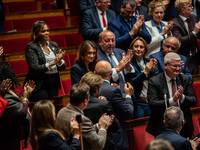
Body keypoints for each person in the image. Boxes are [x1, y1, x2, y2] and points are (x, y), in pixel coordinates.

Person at [146, 52, 197, 139]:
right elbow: (152, 104)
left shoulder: (185, 79)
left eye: (179, 66)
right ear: (165, 65)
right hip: (162, 126)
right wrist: (172, 100)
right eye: (174, 66)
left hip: (183, 125)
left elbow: (193, 101)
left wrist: (182, 98)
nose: (178, 69)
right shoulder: (154, 81)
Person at [56, 83, 113, 150]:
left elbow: (84, 131)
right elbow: (99, 144)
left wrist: (98, 125)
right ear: (85, 101)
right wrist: (103, 128)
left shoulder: (61, 111)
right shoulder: (82, 119)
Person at [95, 60, 134, 150]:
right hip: (115, 138)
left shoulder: (90, 89)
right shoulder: (112, 90)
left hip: (98, 136)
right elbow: (128, 113)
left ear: (95, 73)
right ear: (111, 73)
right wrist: (128, 96)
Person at [24, 21, 66, 102]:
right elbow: (34, 68)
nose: (47, 33)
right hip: (39, 84)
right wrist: (53, 63)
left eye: (47, 30)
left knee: (53, 108)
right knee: (43, 110)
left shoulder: (53, 45)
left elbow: (63, 68)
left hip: (53, 83)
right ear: (36, 34)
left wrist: (60, 61)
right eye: (43, 31)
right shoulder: (31, 47)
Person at [0, 59, 35, 150]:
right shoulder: (5, 96)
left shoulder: (6, 93)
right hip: (7, 139)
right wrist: (26, 97)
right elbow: (22, 113)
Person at [80, 71, 119, 150]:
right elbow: (115, 126)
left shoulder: (79, 103)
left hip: (85, 144)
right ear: (96, 89)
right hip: (103, 143)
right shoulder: (104, 104)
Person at [126, 37, 157, 118]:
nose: (139, 49)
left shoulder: (148, 61)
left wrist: (153, 71)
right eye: (136, 46)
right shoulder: (129, 63)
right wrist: (145, 72)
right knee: (139, 127)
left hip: (150, 101)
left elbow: (156, 81)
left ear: (145, 49)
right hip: (138, 102)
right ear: (131, 48)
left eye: (141, 47)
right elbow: (131, 83)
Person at [97, 30, 134, 96]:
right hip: (110, 96)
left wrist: (127, 67)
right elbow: (102, 78)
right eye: (107, 40)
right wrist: (118, 68)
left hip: (128, 94)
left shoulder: (120, 52)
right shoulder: (97, 57)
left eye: (113, 40)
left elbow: (131, 76)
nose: (111, 43)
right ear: (100, 42)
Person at [171, 0, 200, 74]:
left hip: (195, 57)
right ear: (183, 10)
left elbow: (198, 35)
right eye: (189, 6)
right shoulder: (174, 23)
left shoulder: (193, 18)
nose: (192, 7)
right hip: (184, 59)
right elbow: (180, 41)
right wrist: (194, 33)